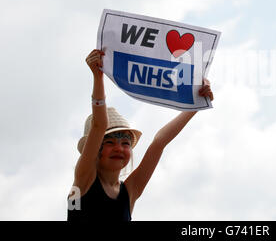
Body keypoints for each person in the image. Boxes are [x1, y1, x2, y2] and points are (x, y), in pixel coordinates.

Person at [67, 49, 214, 221]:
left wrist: (196, 105)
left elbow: (159, 142)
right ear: (93, 149)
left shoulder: (129, 191)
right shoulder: (82, 182)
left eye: (125, 143)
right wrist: (98, 77)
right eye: (109, 142)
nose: (119, 148)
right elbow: (99, 126)